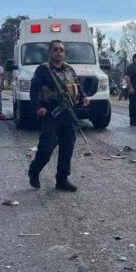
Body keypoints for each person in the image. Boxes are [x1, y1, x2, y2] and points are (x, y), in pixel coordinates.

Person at [27, 40, 89, 192]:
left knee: (67, 147)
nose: (59, 52)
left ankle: (62, 179)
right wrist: (39, 107)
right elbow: (33, 90)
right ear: (50, 52)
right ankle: (34, 170)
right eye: (55, 50)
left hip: (68, 114)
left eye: (61, 50)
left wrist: (84, 97)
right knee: (47, 147)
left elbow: (77, 86)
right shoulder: (43, 70)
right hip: (50, 114)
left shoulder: (69, 69)